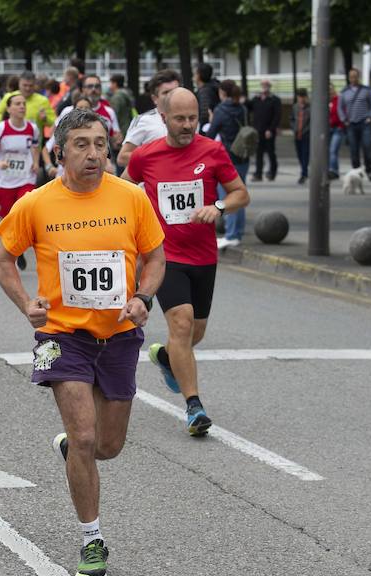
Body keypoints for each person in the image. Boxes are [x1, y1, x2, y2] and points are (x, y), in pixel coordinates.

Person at [0, 108, 165, 576]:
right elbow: (3, 259)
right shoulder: (35, 203)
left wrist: (142, 296)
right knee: (87, 438)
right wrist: (27, 303)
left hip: (119, 336)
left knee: (107, 445)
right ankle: (92, 539)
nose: (94, 153)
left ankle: (73, 448)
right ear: (61, 150)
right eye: (82, 144)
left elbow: (154, 257)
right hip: (63, 336)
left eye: (101, 144)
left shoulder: (131, 198)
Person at [123, 87, 249, 436]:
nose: (187, 124)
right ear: (163, 118)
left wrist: (219, 207)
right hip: (164, 256)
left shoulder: (212, 151)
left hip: (204, 256)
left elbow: (241, 193)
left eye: (193, 118)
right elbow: (121, 192)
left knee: (196, 332)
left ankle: (166, 358)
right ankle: (194, 407)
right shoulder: (145, 156)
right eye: (180, 118)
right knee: (181, 323)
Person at [0, 93, 40, 269]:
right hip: (4, 180)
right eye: (17, 104)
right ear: (9, 108)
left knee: (25, 210)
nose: (22, 106)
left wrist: (36, 163)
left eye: (23, 103)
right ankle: (16, 250)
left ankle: (21, 245)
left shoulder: (32, 128)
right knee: (8, 219)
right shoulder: (0, 129)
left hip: (26, 178)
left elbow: (34, 148)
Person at [206, 80, 249, 248]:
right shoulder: (242, 108)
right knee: (241, 192)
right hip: (244, 155)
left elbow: (211, 134)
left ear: (222, 93)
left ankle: (231, 235)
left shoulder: (221, 110)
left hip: (228, 157)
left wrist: (211, 119)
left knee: (228, 195)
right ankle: (237, 232)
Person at [117, 70, 180, 168]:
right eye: (166, 92)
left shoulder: (190, 120)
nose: (171, 96)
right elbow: (122, 158)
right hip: (151, 182)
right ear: (155, 98)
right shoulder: (144, 120)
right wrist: (159, 159)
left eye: (175, 91)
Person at [337, 68, 371, 181]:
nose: (353, 79)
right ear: (349, 78)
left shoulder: (366, 90)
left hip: (364, 123)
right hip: (351, 124)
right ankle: (357, 171)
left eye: (355, 76)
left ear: (358, 77)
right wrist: (344, 119)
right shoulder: (344, 92)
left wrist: (370, 116)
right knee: (353, 150)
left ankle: (369, 170)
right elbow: (340, 107)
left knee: (367, 147)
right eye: (351, 77)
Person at [0, 70, 56, 136]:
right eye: (25, 85)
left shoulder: (43, 100)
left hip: (33, 143)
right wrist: (6, 124)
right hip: (10, 139)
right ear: (19, 83)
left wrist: (45, 119)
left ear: (34, 84)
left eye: (30, 86)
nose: (27, 88)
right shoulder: (9, 97)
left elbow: (53, 122)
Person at [248, 79, 281, 181]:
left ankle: (272, 172)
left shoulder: (274, 100)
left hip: (268, 131)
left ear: (269, 87)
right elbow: (248, 107)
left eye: (266, 85)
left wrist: (271, 129)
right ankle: (258, 174)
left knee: (271, 152)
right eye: (263, 85)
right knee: (259, 153)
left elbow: (277, 116)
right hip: (258, 130)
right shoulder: (256, 99)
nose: (264, 87)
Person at [290, 88, 311, 184]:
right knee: (299, 154)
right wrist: (294, 128)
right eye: (299, 97)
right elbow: (292, 119)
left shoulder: (310, 107)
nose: (301, 99)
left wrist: (306, 130)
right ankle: (304, 169)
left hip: (306, 134)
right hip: (297, 134)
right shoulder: (295, 107)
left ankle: (304, 173)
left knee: (305, 154)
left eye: (303, 97)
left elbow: (311, 121)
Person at [194, 63, 220, 135]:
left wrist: (202, 132)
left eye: (195, 74)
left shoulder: (205, 91)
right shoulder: (212, 87)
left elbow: (205, 113)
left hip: (207, 130)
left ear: (198, 75)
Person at [106, 74, 135, 138]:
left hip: (121, 129)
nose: (110, 86)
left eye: (111, 83)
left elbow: (114, 115)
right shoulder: (127, 94)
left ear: (115, 84)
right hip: (128, 126)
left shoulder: (117, 97)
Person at [328, 82, 345, 180]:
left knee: (333, 150)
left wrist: (342, 125)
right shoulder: (325, 100)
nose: (329, 92)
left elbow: (342, 112)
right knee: (329, 151)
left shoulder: (338, 99)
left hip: (337, 128)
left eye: (331, 89)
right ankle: (333, 169)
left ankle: (333, 170)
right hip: (327, 129)